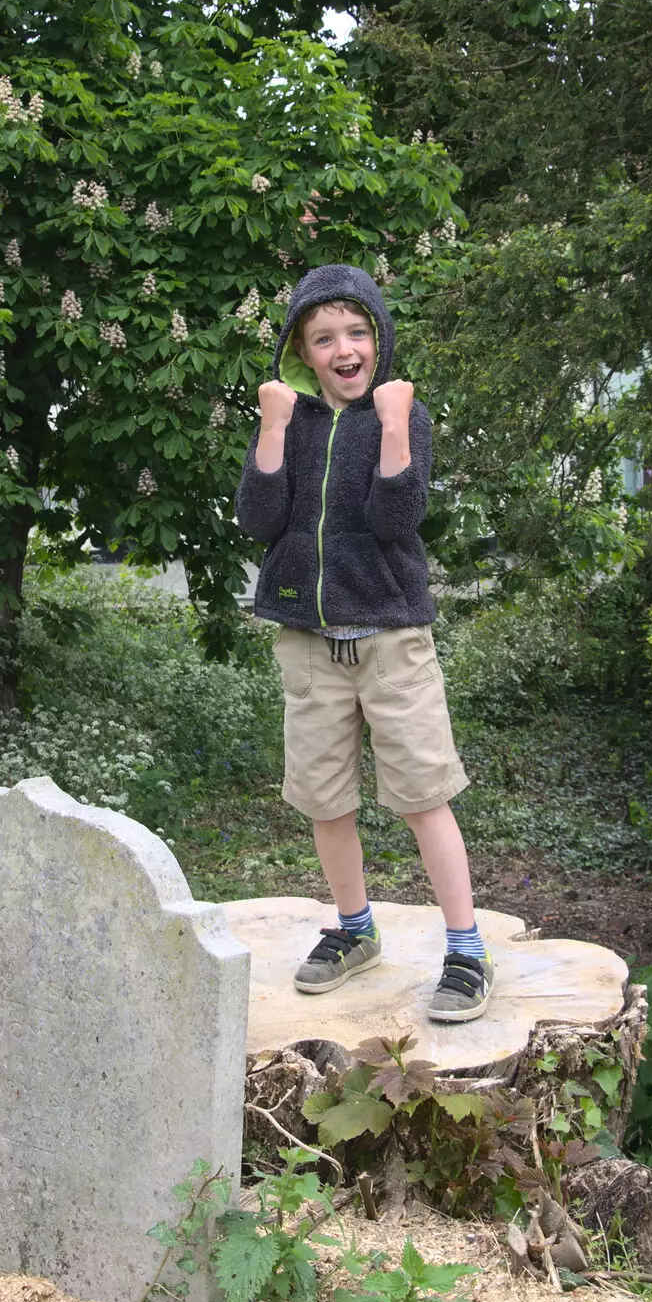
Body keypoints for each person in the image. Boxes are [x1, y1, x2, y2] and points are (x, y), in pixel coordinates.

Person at [235, 263, 493, 1022]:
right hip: (309, 643)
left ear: (376, 340)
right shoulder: (295, 422)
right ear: (301, 353)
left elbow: (394, 519)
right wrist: (274, 426)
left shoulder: (402, 416)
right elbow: (257, 518)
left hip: (390, 639)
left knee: (423, 796)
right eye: (323, 339)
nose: (342, 349)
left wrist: (389, 424)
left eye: (355, 333)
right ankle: (354, 931)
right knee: (323, 800)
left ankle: (467, 951)